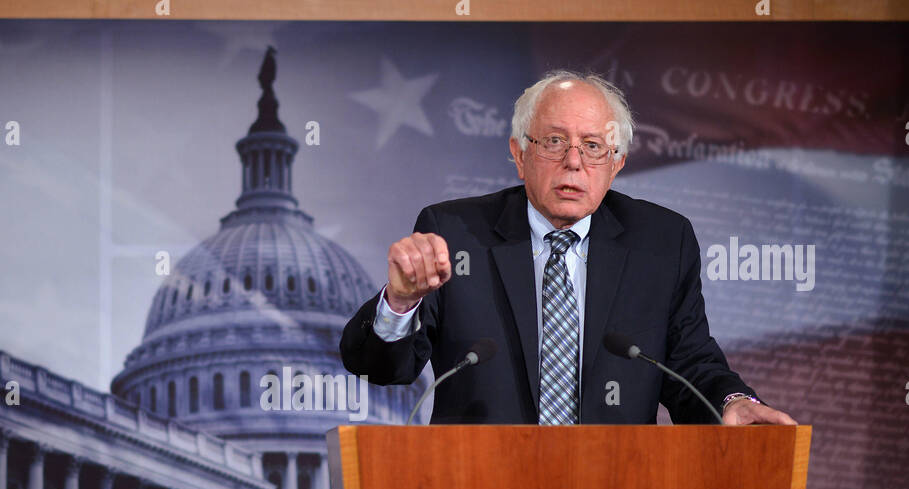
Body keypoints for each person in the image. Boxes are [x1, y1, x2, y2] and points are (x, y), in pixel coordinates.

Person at [339, 70, 797, 426]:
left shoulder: (661, 242)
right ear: (519, 154)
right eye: (554, 141)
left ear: (616, 164)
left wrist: (733, 402)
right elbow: (379, 368)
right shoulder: (454, 233)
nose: (573, 161)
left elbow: (690, 363)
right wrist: (400, 302)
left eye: (593, 146)